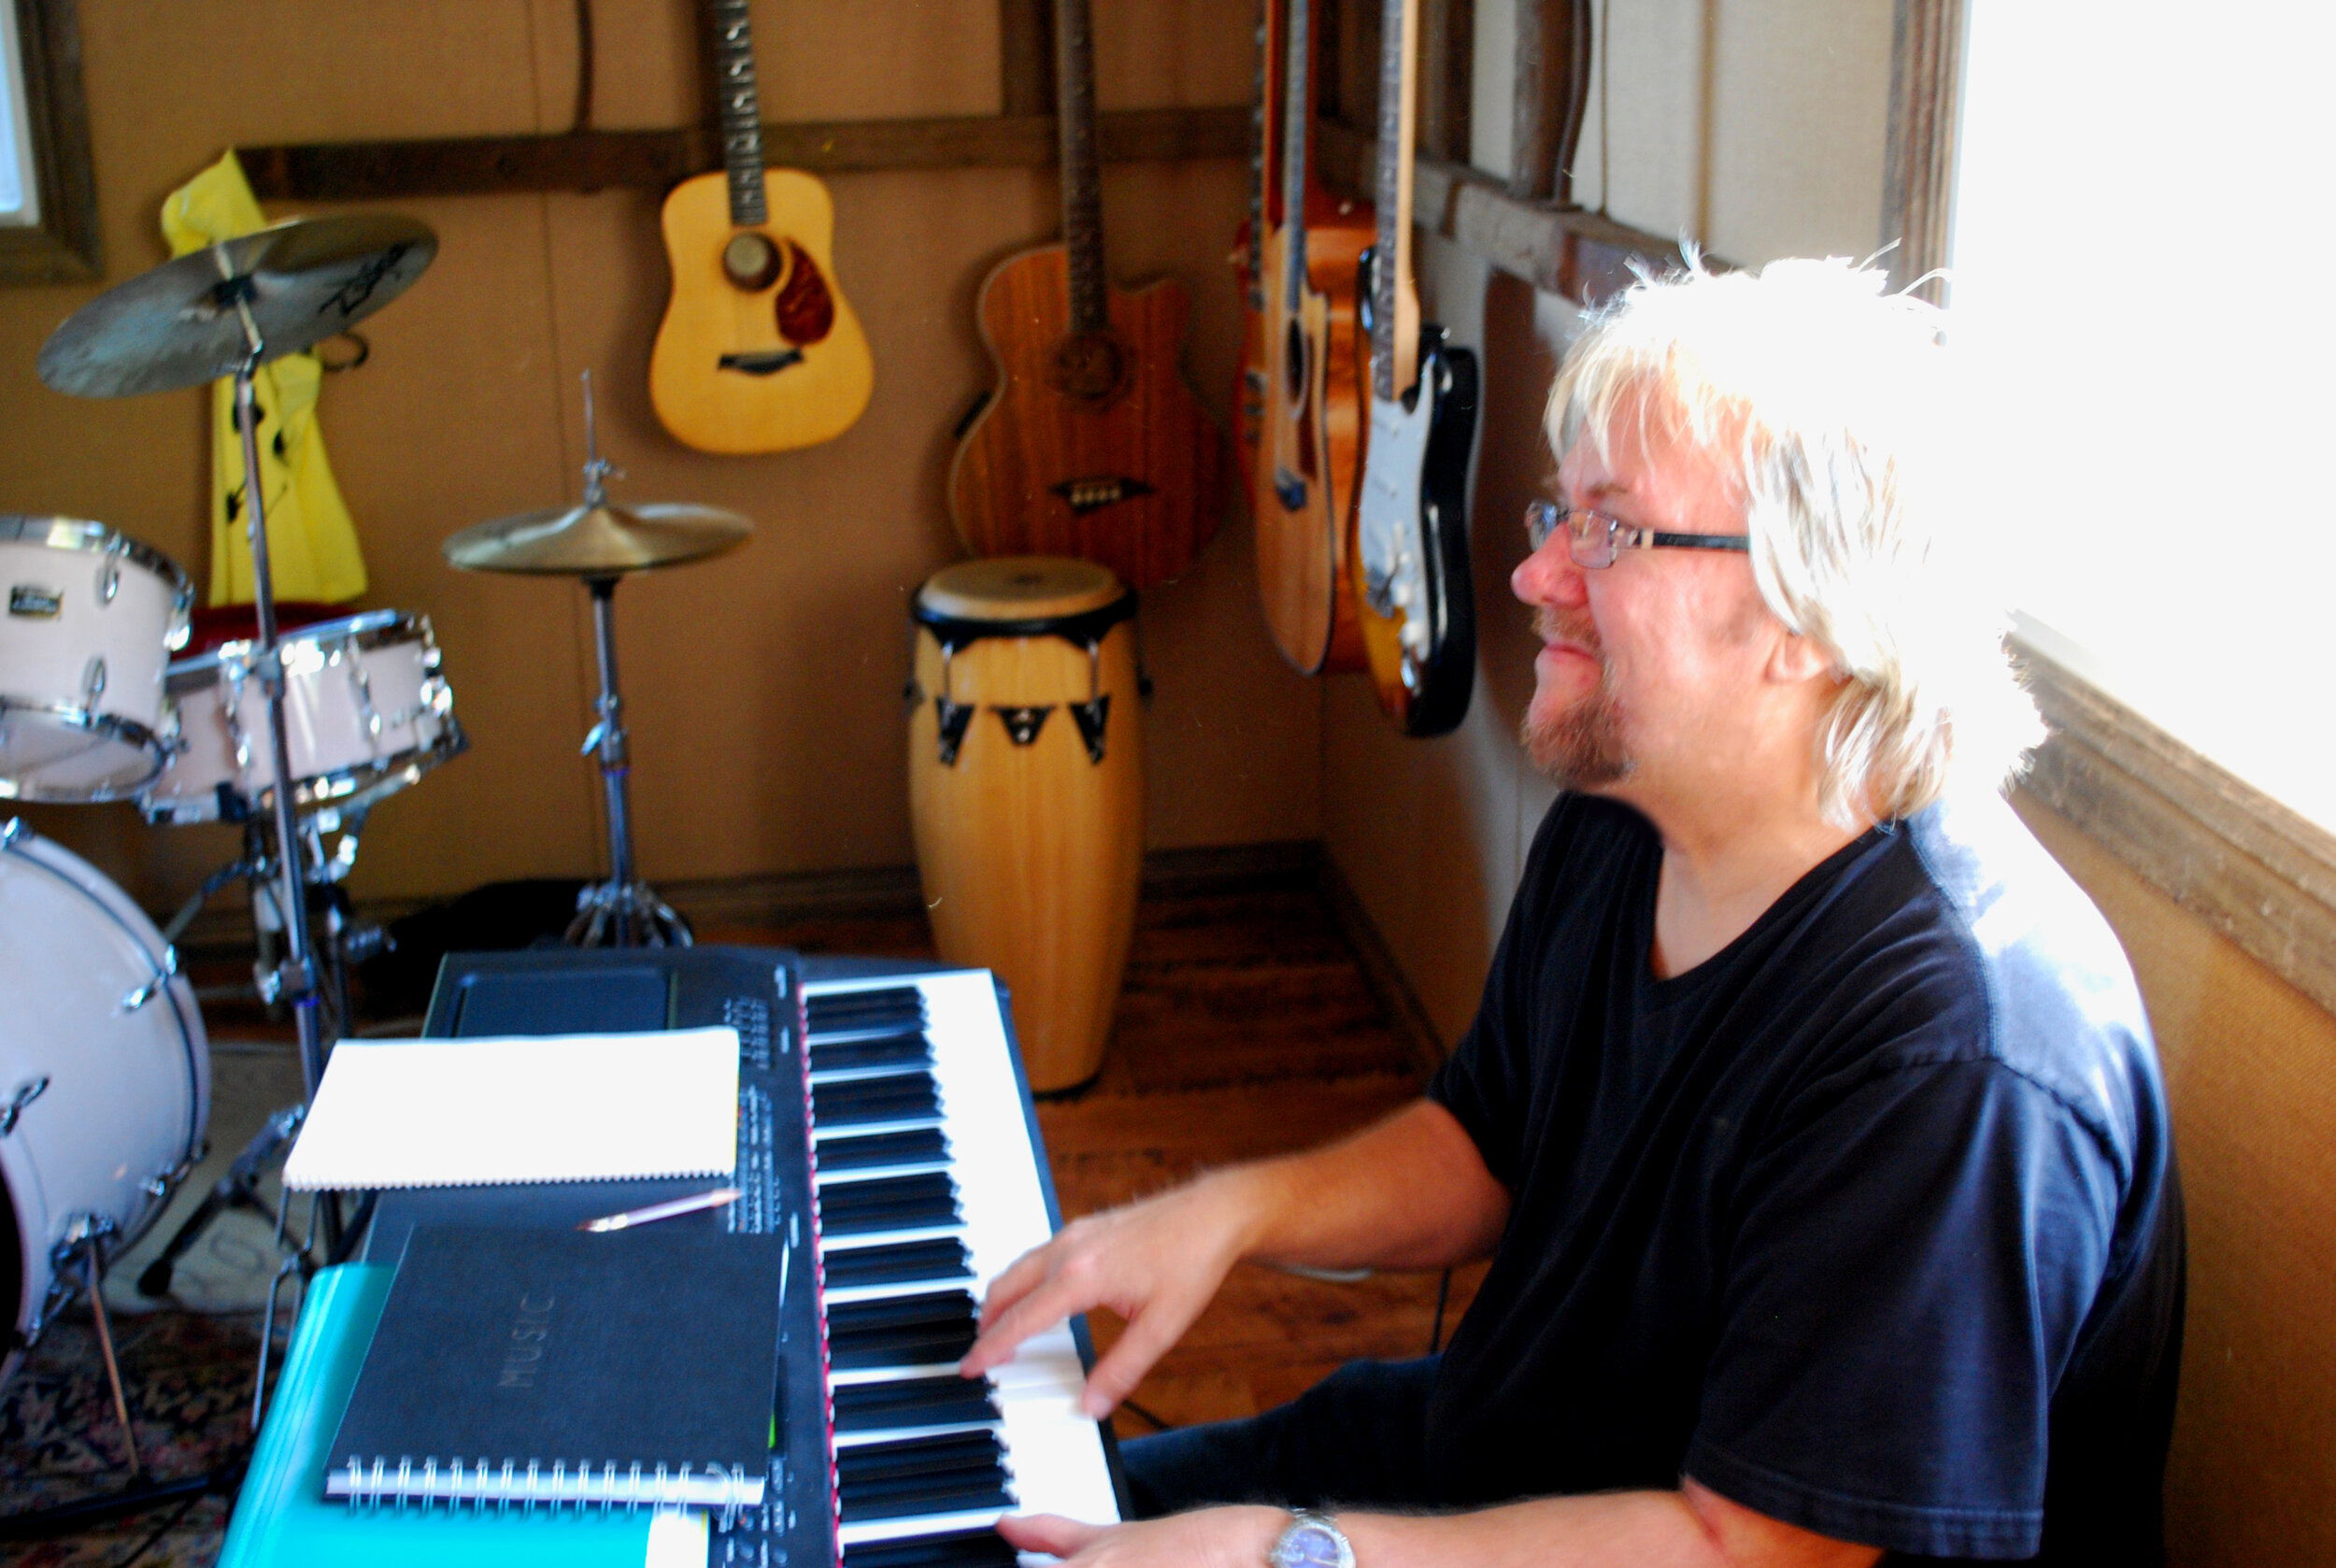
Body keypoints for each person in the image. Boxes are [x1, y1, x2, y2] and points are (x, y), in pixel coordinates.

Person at [959, 258, 2185, 1567]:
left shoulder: (1953, 1052)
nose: (1538, 573)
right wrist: (1228, 1213)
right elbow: (1488, 1139)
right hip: (1496, 1462)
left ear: (1808, 620)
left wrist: (1292, 1555)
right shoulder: (1629, 807)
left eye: (1610, 528)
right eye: (1560, 510)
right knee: (970, 1533)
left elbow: (1757, 1549)